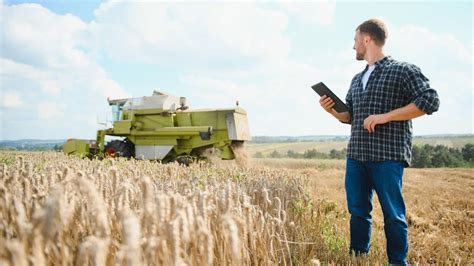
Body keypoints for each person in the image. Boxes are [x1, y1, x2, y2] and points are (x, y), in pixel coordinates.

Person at [319, 18, 440, 265]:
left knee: (393, 216)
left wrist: (385, 117)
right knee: (358, 213)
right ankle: (358, 259)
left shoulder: (403, 70)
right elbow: (350, 117)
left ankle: (397, 262)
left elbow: (430, 101)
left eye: (355, 41)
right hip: (357, 156)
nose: (353, 47)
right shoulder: (356, 79)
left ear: (367, 39)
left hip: (387, 156)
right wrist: (331, 110)